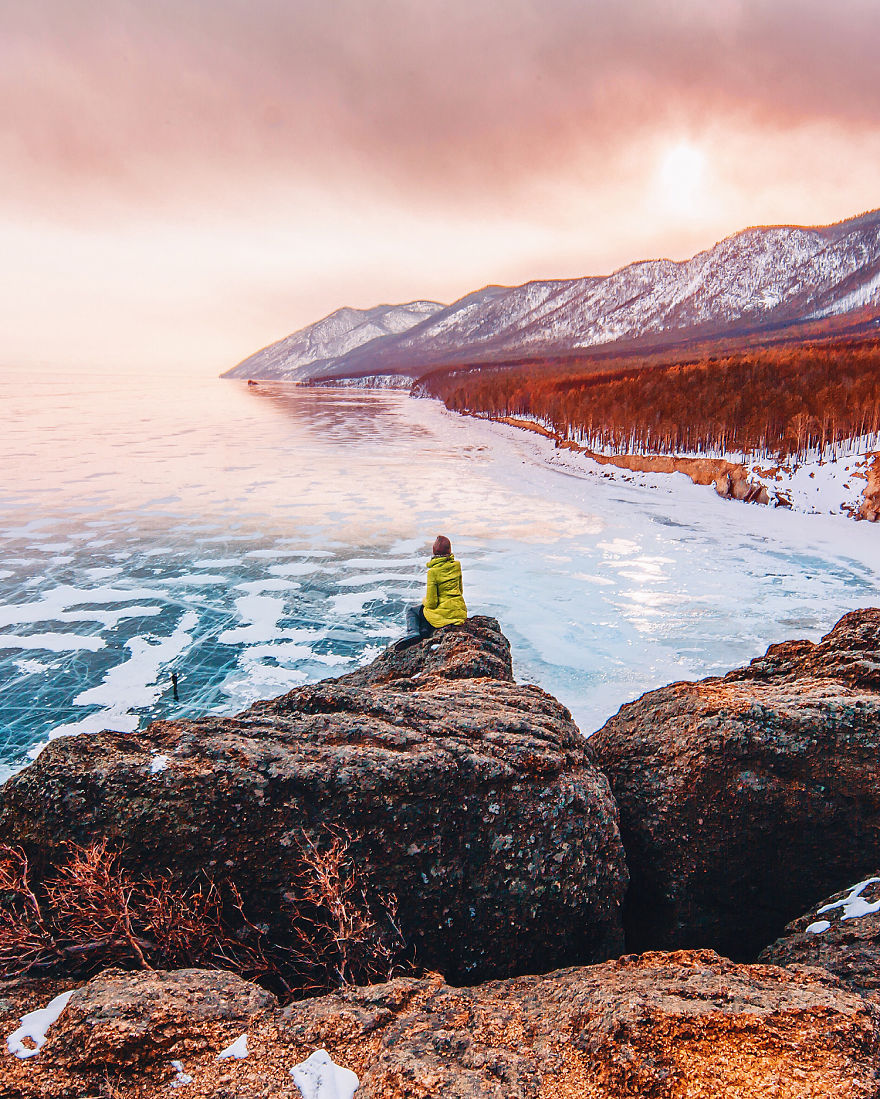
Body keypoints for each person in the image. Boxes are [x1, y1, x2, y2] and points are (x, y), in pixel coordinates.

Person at [401, 535, 467, 646]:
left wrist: (424, 601)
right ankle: (424, 630)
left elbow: (431, 603)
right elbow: (460, 590)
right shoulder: (456, 565)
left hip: (444, 615)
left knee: (413, 611)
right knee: (428, 613)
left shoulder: (433, 572)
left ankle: (412, 633)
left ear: (434, 551)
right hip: (459, 612)